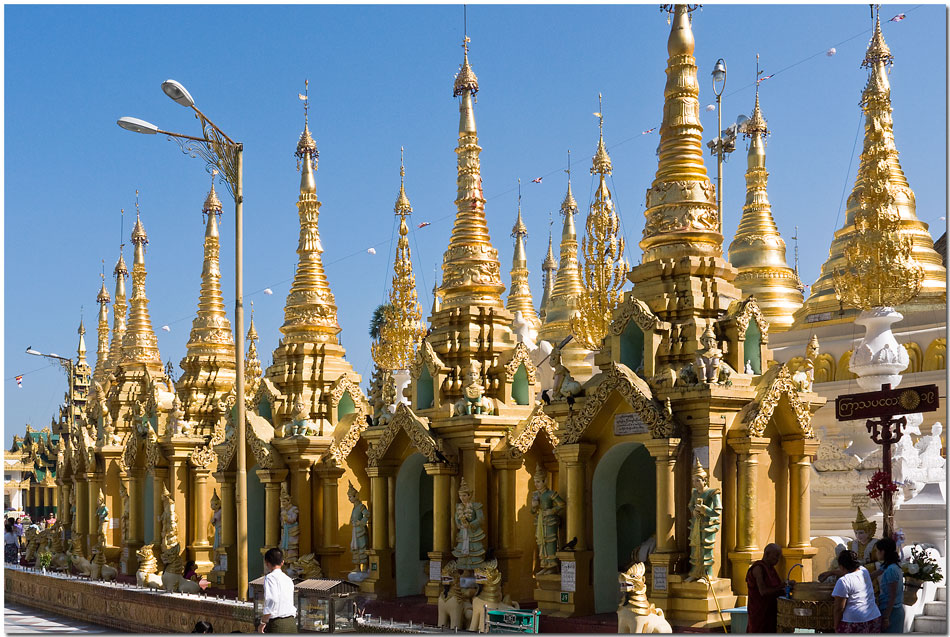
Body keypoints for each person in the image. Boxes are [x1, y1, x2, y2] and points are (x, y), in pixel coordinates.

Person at [831, 549, 881, 633]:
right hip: (874, 617)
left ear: (841, 566)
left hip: (853, 621)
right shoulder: (864, 571)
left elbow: (839, 608)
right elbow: (847, 572)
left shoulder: (843, 581)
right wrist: (830, 573)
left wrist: (836, 625)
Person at [746, 543, 789, 633]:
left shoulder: (771, 569)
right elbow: (763, 591)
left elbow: (776, 588)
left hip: (771, 610)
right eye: (776, 556)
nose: (777, 559)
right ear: (767, 554)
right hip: (760, 611)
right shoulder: (758, 568)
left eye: (779, 556)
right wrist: (781, 586)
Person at [258, 547, 297, 633]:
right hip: (291, 623)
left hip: (278, 623)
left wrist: (263, 622)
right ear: (282, 562)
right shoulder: (288, 579)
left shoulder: (270, 578)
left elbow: (272, 600)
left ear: (267, 563)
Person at [871, 538, 904, 633]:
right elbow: (872, 575)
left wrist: (886, 617)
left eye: (877, 551)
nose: (876, 553)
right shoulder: (887, 566)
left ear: (883, 551)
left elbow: (892, 596)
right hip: (887, 609)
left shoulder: (891, 570)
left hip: (892, 611)